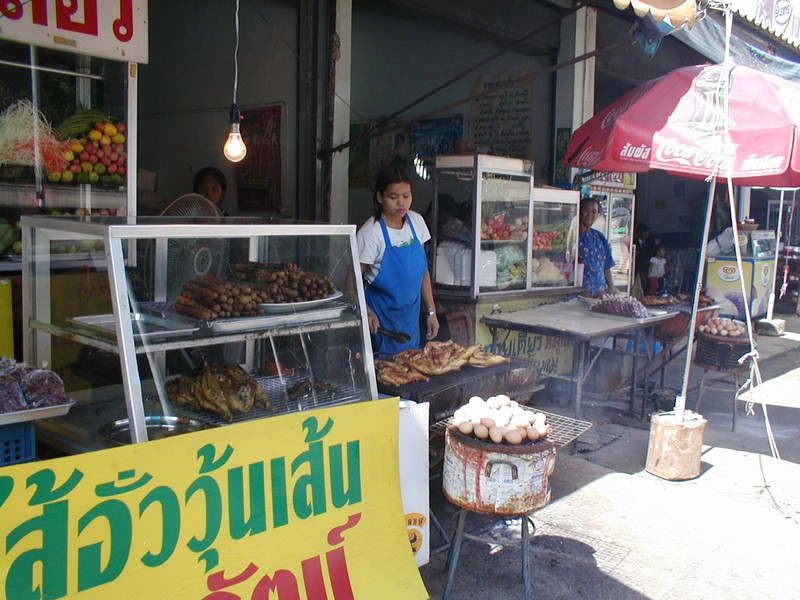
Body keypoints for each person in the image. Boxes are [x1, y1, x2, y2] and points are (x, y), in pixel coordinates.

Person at [357, 166, 439, 356]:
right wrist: (366, 311)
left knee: (411, 365)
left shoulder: (416, 222)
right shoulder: (371, 234)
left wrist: (431, 312)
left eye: (406, 195)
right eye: (393, 197)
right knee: (386, 370)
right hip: (381, 327)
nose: (401, 202)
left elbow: (422, 271)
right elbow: (351, 281)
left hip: (409, 324)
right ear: (380, 197)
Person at [578, 196, 616, 295]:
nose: (590, 214)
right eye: (586, 210)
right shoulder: (573, 236)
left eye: (594, 211)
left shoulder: (600, 237)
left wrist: (611, 289)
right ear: (579, 211)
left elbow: (607, 266)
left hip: (600, 295)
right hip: (576, 295)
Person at [634, 223, 656, 289]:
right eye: (644, 232)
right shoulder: (634, 242)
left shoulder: (649, 242)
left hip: (647, 268)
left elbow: (651, 253)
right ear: (640, 233)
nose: (647, 233)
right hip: (637, 268)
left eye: (647, 231)